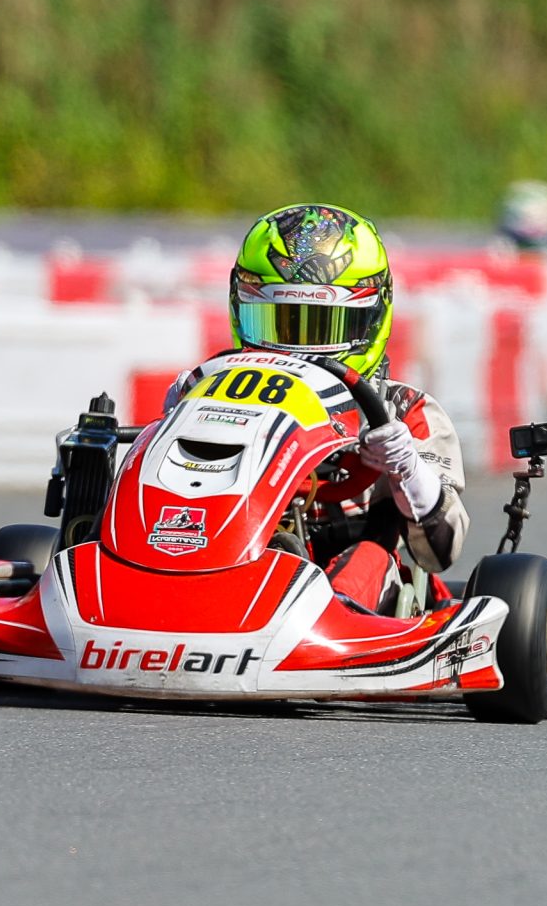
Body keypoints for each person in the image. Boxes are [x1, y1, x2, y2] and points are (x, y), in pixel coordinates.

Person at [194, 203, 470, 612]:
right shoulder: (208, 388)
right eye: (280, 324)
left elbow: (439, 554)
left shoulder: (403, 411)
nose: (300, 349)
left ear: (369, 321)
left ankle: (321, 619)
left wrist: (405, 469)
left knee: (368, 558)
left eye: (323, 327)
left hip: (355, 598)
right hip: (231, 562)